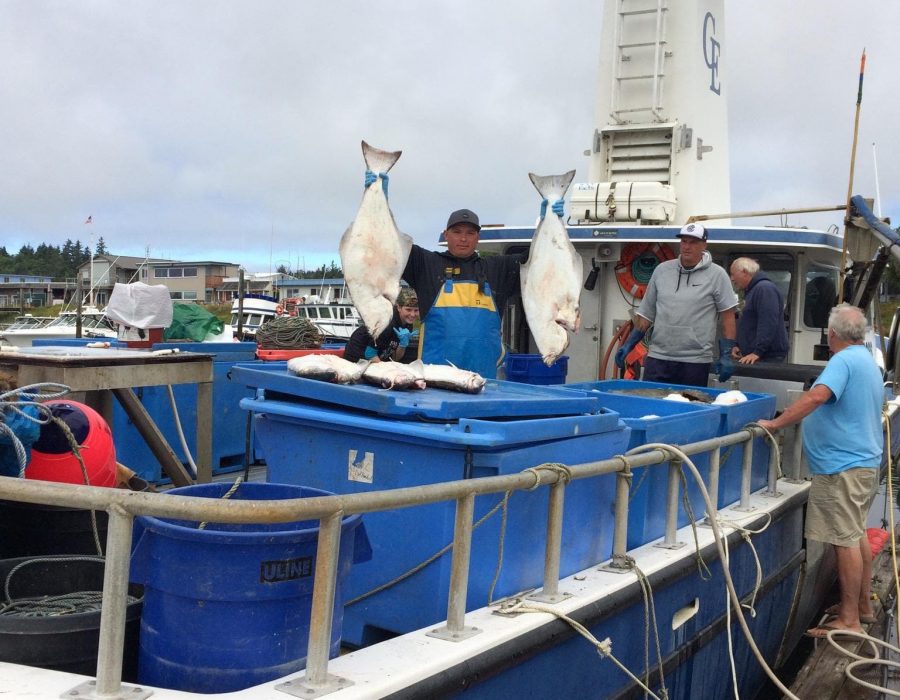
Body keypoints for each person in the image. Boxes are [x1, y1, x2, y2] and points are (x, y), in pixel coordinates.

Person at [757, 304, 883, 638]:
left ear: (832, 334)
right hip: (862, 463)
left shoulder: (842, 361)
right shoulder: (866, 360)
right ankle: (863, 609)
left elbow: (817, 396)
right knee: (855, 536)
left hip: (843, 467)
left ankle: (849, 620)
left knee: (843, 541)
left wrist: (776, 422)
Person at [401, 204, 557, 378]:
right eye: (457, 232)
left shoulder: (497, 269)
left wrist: (549, 223)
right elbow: (388, 243)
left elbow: (539, 258)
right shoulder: (425, 264)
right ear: (446, 235)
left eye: (470, 233)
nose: (463, 239)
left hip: (483, 380)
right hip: (435, 379)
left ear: (478, 238)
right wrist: (377, 196)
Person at [615, 222, 738, 387]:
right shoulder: (662, 271)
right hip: (658, 358)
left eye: (693, 242)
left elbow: (728, 317)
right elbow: (646, 314)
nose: (687, 246)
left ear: (704, 244)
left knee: (689, 408)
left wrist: (726, 354)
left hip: (695, 361)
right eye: (684, 241)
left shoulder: (718, 275)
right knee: (652, 407)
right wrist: (629, 344)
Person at [729, 257, 789, 364]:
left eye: (733, 274)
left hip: (767, 356)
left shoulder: (764, 289)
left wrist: (758, 352)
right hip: (754, 354)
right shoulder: (751, 291)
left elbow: (768, 322)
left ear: (745, 272)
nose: (732, 279)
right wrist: (738, 345)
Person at [343, 288, 420, 364]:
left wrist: (403, 344)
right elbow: (370, 354)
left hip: (377, 356)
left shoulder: (408, 324)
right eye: (408, 310)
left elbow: (395, 358)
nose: (412, 314)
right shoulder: (387, 323)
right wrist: (386, 371)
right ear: (399, 307)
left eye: (416, 310)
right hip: (356, 355)